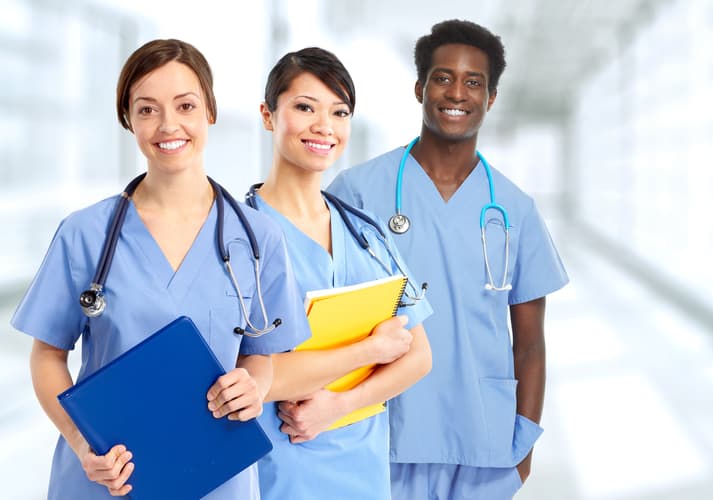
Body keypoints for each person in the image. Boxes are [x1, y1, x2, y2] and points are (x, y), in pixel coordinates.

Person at [10, 39, 308, 499]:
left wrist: (254, 386)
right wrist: (80, 441)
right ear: (128, 119)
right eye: (147, 110)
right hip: (107, 478)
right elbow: (47, 355)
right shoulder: (85, 234)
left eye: (185, 105)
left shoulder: (258, 238)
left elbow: (262, 355)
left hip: (215, 477)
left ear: (210, 110)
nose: (168, 125)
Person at [329, 20, 569, 499]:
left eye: (473, 81)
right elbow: (327, 324)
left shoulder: (514, 207)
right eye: (442, 77)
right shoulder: (357, 192)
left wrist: (522, 447)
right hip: (384, 433)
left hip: (482, 441)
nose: (456, 92)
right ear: (420, 87)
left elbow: (530, 343)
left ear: (491, 97)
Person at [248, 47, 433, 499]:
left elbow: (419, 355)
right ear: (269, 116)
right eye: (304, 107)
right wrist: (372, 348)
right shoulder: (236, 237)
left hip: (364, 474)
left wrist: (340, 404)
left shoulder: (366, 231)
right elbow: (256, 376)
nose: (324, 127)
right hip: (280, 471)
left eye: (339, 112)